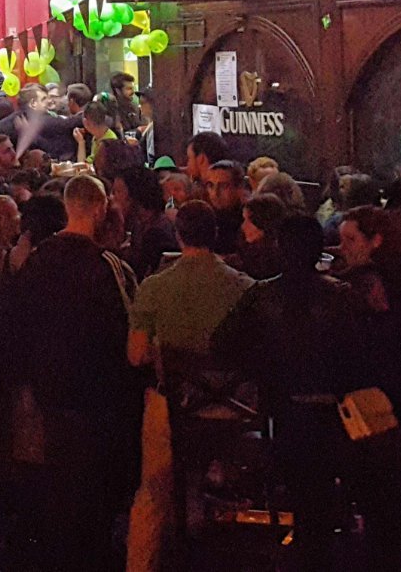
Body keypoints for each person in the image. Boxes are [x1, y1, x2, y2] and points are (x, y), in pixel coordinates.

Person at [213, 216, 378, 572]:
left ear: (279, 249)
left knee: (306, 480)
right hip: (336, 423)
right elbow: (363, 360)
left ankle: (307, 545)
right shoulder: (341, 296)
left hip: (279, 420)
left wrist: (263, 369)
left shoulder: (260, 296)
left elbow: (222, 345)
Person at [0, 174, 142, 571]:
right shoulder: (106, 267)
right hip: (95, 399)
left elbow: (13, 325)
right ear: (98, 210)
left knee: (55, 486)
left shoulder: (37, 261)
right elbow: (127, 334)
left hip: (46, 394)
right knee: (91, 492)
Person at [125, 200, 256, 569]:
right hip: (236, 419)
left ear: (179, 235)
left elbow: (135, 356)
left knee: (151, 494)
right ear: (215, 235)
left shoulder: (155, 287)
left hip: (174, 412)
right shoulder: (244, 287)